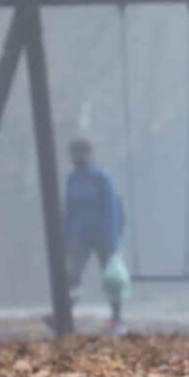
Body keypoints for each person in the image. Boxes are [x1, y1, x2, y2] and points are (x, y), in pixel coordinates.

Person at [63, 138, 130, 335]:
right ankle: (64, 316)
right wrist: (67, 239)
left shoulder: (101, 178)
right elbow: (69, 211)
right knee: (71, 275)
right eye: (75, 154)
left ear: (90, 155)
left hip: (104, 236)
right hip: (80, 236)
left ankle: (117, 319)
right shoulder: (72, 179)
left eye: (82, 153)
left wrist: (113, 244)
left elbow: (112, 211)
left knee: (112, 279)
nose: (79, 158)